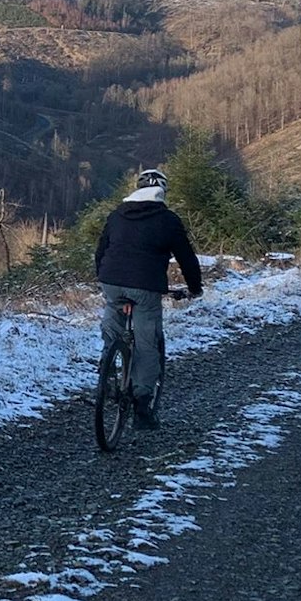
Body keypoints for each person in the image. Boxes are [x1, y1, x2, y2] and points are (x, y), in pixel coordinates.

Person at [93, 167, 203, 429]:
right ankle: (143, 407)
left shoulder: (117, 215)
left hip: (111, 282)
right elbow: (187, 258)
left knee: (113, 329)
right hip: (145, 288)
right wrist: (195, 288)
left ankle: (107, 373)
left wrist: (105, 278)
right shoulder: (168, 219)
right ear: (161, 191)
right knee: (146, 343)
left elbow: (101, 251)